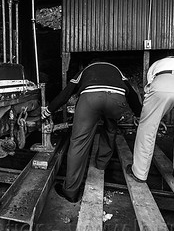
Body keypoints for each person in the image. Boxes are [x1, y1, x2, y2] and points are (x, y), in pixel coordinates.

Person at [41, 61, 142, 202]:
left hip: (90, 99)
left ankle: (70, 192)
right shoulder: (117, 70)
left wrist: (48, 110)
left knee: (79, 142)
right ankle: (101, 164)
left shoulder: (86, 70)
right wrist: (138, 114)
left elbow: (66, 94)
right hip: (117, 100)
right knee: (110, 129)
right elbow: (131, 95)